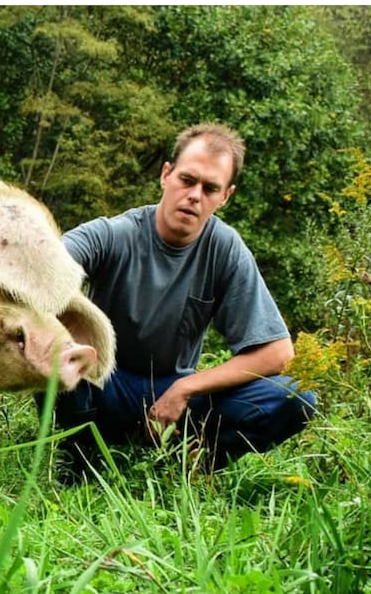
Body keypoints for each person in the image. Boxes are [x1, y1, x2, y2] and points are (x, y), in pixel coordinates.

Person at [51, 124, 317, 480]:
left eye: (210, 188)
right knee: (61, 349)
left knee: (296, 397)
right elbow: (47, 265)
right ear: (166, 175)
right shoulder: (115, 233)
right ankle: (77, 462)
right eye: (187, 180)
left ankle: (190, 466)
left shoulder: (225, 249)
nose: (194, 195)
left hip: (177, 395)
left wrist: (186, 388)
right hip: (105, 383)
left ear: (226, 196)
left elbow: (278, 353)